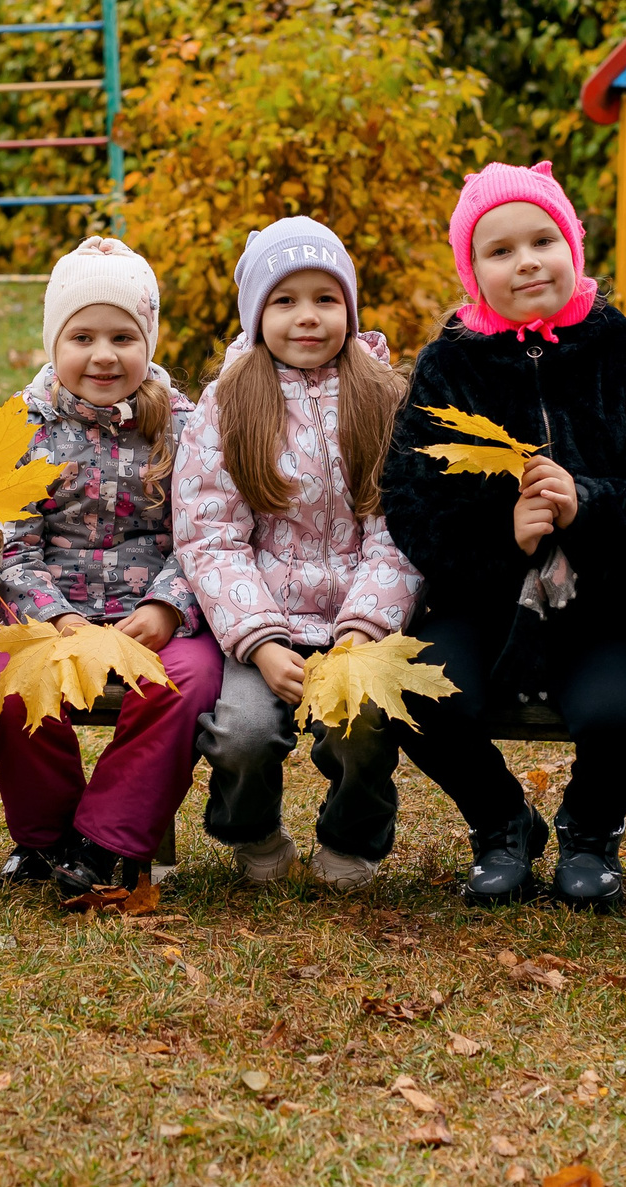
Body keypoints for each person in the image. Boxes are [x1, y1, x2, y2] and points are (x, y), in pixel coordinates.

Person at [381, 163, 626, 908]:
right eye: (499, 250)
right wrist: (505, 537)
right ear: (472, 270)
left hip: (601, 602)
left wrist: (586, 502)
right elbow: (411, 505)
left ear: (573, 246)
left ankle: (589, 827)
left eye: (543, 239)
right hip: (479, 601)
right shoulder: (447, 366)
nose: (526, 260)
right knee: (418, 691)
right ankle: (501, 821)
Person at [177, 217, 416, 891]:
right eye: (284, 300)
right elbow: (212, 535)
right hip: (263, 626)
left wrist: (363, 630)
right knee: (245, 730)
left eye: (325, 298)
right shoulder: (227, 404)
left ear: (349, 307)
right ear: (257, 313)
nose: (306, 317)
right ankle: (251, 829)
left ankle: (351, 835)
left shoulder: (384, 397)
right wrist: (259, 641)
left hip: (357, 625)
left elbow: (397, 531)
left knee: (364, 722)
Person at [0, 236, 222, 894]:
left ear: (147, 340)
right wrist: (54, 617)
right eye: (82, 336)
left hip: (151, 616)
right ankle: (48, 835)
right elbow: (12, 539)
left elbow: (204, 529)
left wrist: (168, 604)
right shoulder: (25, 424)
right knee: (11, 687)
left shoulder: (183, 424)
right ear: (53, 343)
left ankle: (104, 838)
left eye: (122, 336)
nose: (102, 354)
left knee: (187, 681)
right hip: (54, 615)